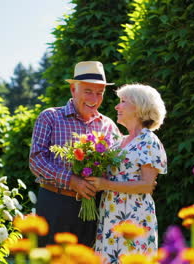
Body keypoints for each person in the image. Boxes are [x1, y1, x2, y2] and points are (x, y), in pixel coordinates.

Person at [29, 61, 120, 247]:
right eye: (88, 91)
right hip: (55, 203)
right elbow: (36, 161)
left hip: (92, 208)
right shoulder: (50, 117)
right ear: (73, 89)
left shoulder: (108, 125)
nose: (94, 99)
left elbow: (117, 164)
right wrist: (72, 180)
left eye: (99, 93)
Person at [86, 83, 167, 263]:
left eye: (123, 101)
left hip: (134, 218)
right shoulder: (118, 142)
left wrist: (105, 184)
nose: (117, 106)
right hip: (110, 216)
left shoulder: (148, 141)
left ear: (139, 107)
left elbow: (147, 185)